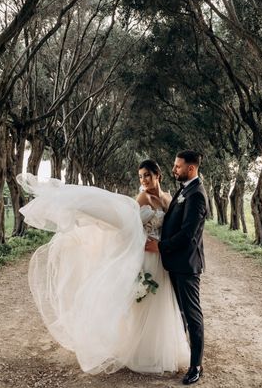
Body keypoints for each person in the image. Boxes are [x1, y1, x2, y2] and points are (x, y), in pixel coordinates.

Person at [16, 160, 189, 375]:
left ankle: (159, 351)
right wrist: (143, 242)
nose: (143, 180)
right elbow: (131, 228)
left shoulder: (167, 199)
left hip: (160, 255)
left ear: (158, 176)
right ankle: (140, 352)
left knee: (160, 301)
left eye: (147, 175)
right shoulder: (142, 198)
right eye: (141, 176)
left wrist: (164, 246)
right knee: (144, 303)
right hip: (145, 255)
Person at [146, 150, 208, 385]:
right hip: (176, 263)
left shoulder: (197, 195)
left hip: (186, 265)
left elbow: (187, 235)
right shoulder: (185, 190)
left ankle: (196, 366)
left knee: (193, 315)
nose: (174, 169)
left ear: (191, 168)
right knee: (180, 312)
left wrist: (160, 247)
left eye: (178, 166)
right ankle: (180, 353)